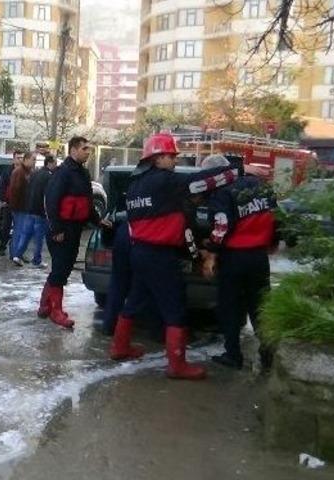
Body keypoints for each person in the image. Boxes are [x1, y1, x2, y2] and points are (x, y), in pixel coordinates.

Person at [109, 133, 264, 380]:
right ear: (157, 158)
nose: (173, 160)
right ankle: (177, 365)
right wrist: (238, 170)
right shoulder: (164, 182)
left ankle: (119, 347)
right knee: (175, 308)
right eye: (171, 156)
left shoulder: (136, 184)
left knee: (136, 299)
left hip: (139, 252)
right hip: (160, 256)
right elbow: (201, 181)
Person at [201, 154, 277, 370]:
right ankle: (268, 352)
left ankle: (233, 355)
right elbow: (275, 216)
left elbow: (221, 227)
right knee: (260, 305)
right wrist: (272, 241)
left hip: (234, 258)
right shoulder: (260, 186)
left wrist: (211, 252)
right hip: (259, 257)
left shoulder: (222, 192)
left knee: (230, 307)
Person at [39, 136, 106, 328]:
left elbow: (87, 202)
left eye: (89, 149)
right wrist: (57, 229)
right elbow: (51, 202)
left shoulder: (83, 174)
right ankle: (55, 310)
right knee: (60, 268)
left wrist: (98, 220)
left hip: (75, 228)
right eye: (84, 148)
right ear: (73, 150)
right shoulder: (62, 173)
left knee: (64, 267)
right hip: (61, 229)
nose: (88, 152)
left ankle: (45, 304)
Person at [22, 155, 56, 268]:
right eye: (55, 163)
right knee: (39, 237)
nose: (56, 165)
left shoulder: (35, 173)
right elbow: (48, 196)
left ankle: (18, 254)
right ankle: (37, 259)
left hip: (31, 209)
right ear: (50, 163)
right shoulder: (48, 176)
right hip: (41, 211)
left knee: (26, 233)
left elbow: (28, 189)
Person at [7, 152, 36, 266]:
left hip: (25, 207)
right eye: (33, 159)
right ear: (26, 159)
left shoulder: (28, 172)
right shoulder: (19, 172)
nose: (34, 162)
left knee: (23, 231)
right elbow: (16, 190)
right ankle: (15, 254)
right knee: (19, 231)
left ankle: (18, 253)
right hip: (20, 207)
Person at [0, 149, 24, 256]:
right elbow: (1, 187)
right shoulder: (7, 171)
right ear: (13, 159)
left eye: (21, 158)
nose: (20, 160)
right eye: (18, 157)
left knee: (20, 228)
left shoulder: (25, 171)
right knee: (5, 227)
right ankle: (2, 247)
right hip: (8, 204)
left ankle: (16, 250)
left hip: (21, 205)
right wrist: (3, 200)